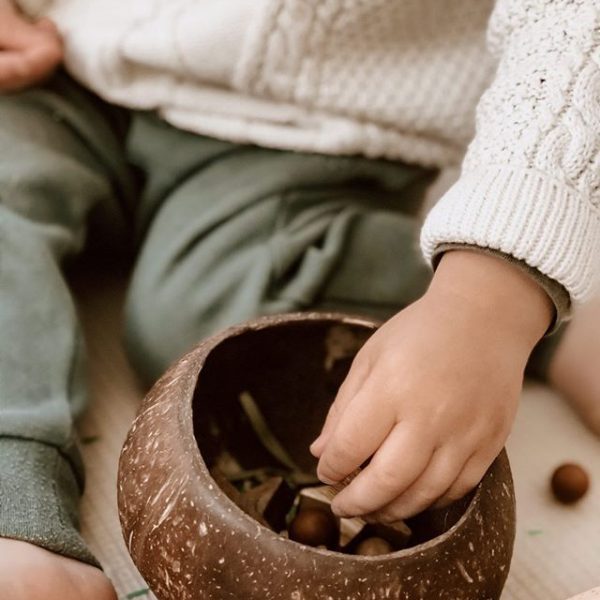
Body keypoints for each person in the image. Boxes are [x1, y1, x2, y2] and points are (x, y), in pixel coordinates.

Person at [0, 0, 598, 597]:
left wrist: (492, 298)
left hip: (302, 129)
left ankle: (527, 294)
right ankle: (13, 518)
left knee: (215, 326)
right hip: (60, 60)